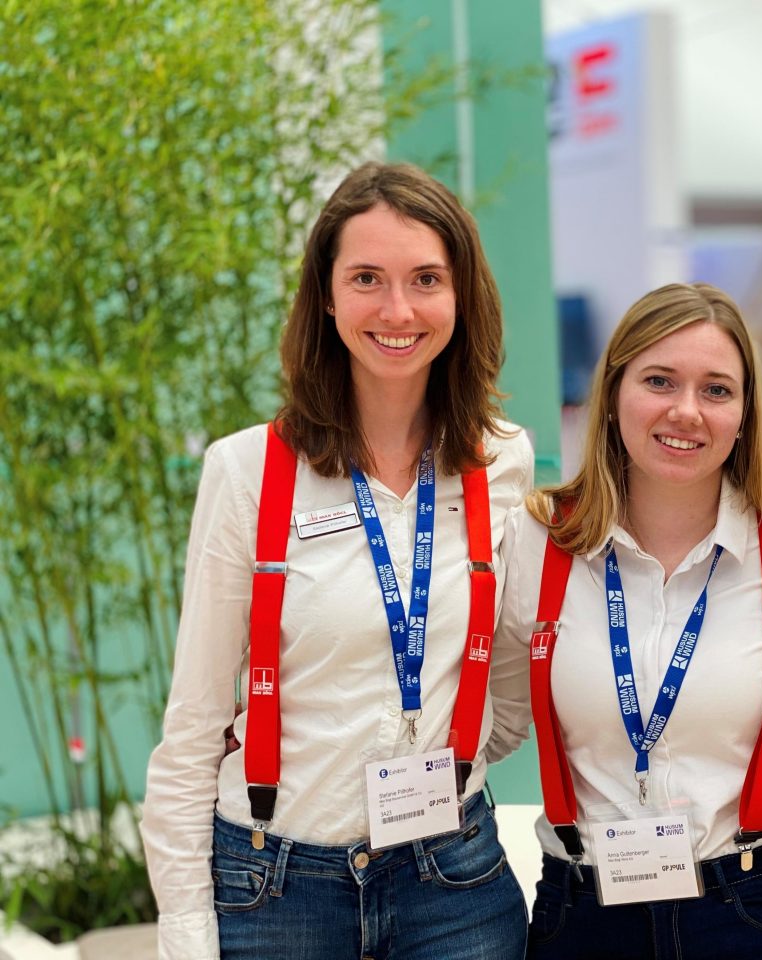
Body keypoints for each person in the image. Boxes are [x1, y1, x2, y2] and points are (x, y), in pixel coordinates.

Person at [141, 162, 533, 960]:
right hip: (276, 891)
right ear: (325, 295)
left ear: (462, 297)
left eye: (426, 278)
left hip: (453, 885)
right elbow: (192, 730)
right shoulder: (246, 471)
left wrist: (439, 754)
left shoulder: (502, 461)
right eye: (366, 278)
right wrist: (185, 930)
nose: (398, 310)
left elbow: (513, 680)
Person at [488, 283, 762, 959]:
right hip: (587, 914)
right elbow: (498, 719)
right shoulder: (536, 543)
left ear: (744, 413)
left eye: (716, 390)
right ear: (614, 391)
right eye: (659, 381)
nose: (687, 411)